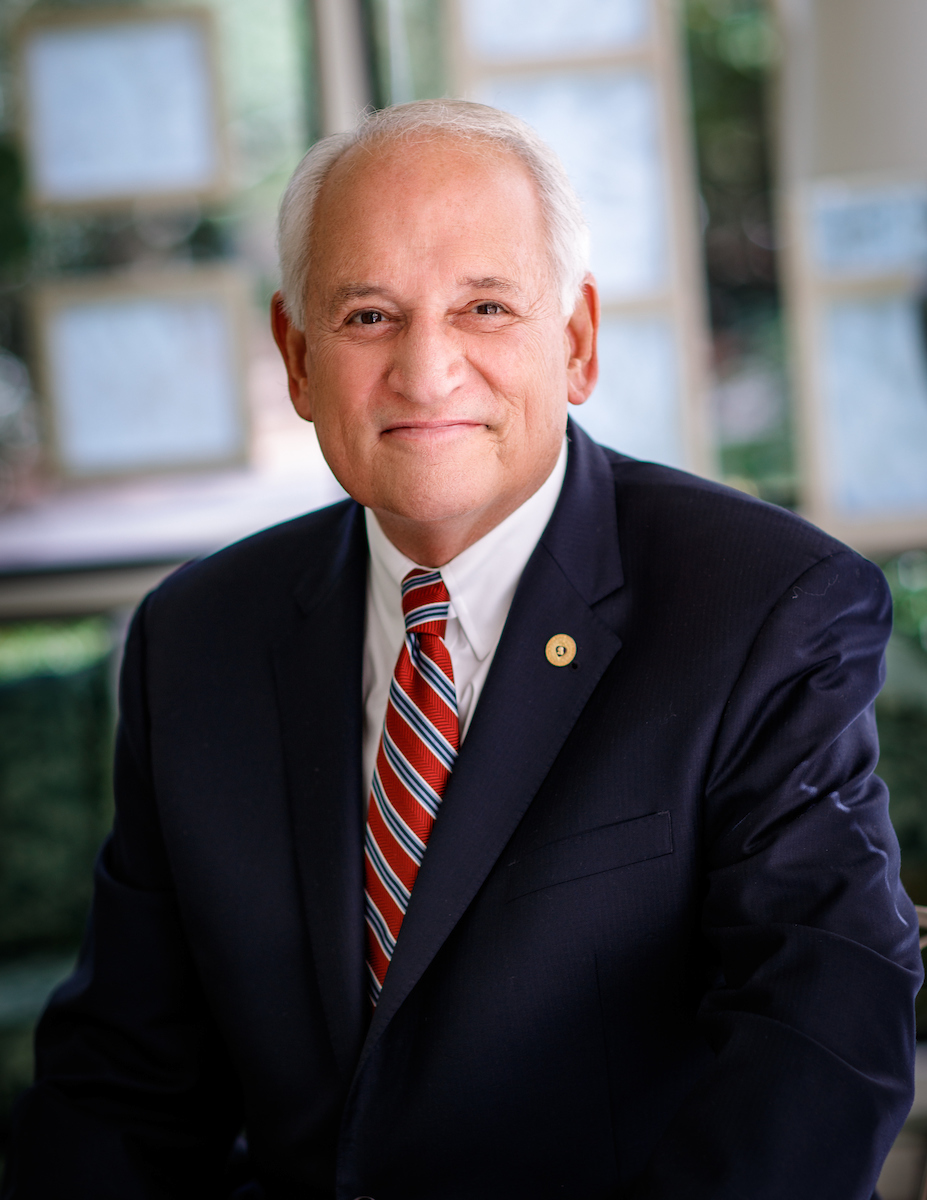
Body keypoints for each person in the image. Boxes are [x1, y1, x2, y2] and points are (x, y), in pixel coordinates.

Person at [1, 100, 921, 1200]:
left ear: (575, 342)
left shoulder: (766, 608)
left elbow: (821, 1036)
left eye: (485, 307)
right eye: (369, 316)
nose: (427, 371)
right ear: (296, 358)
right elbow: (123, 1082)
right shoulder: (196, 641)